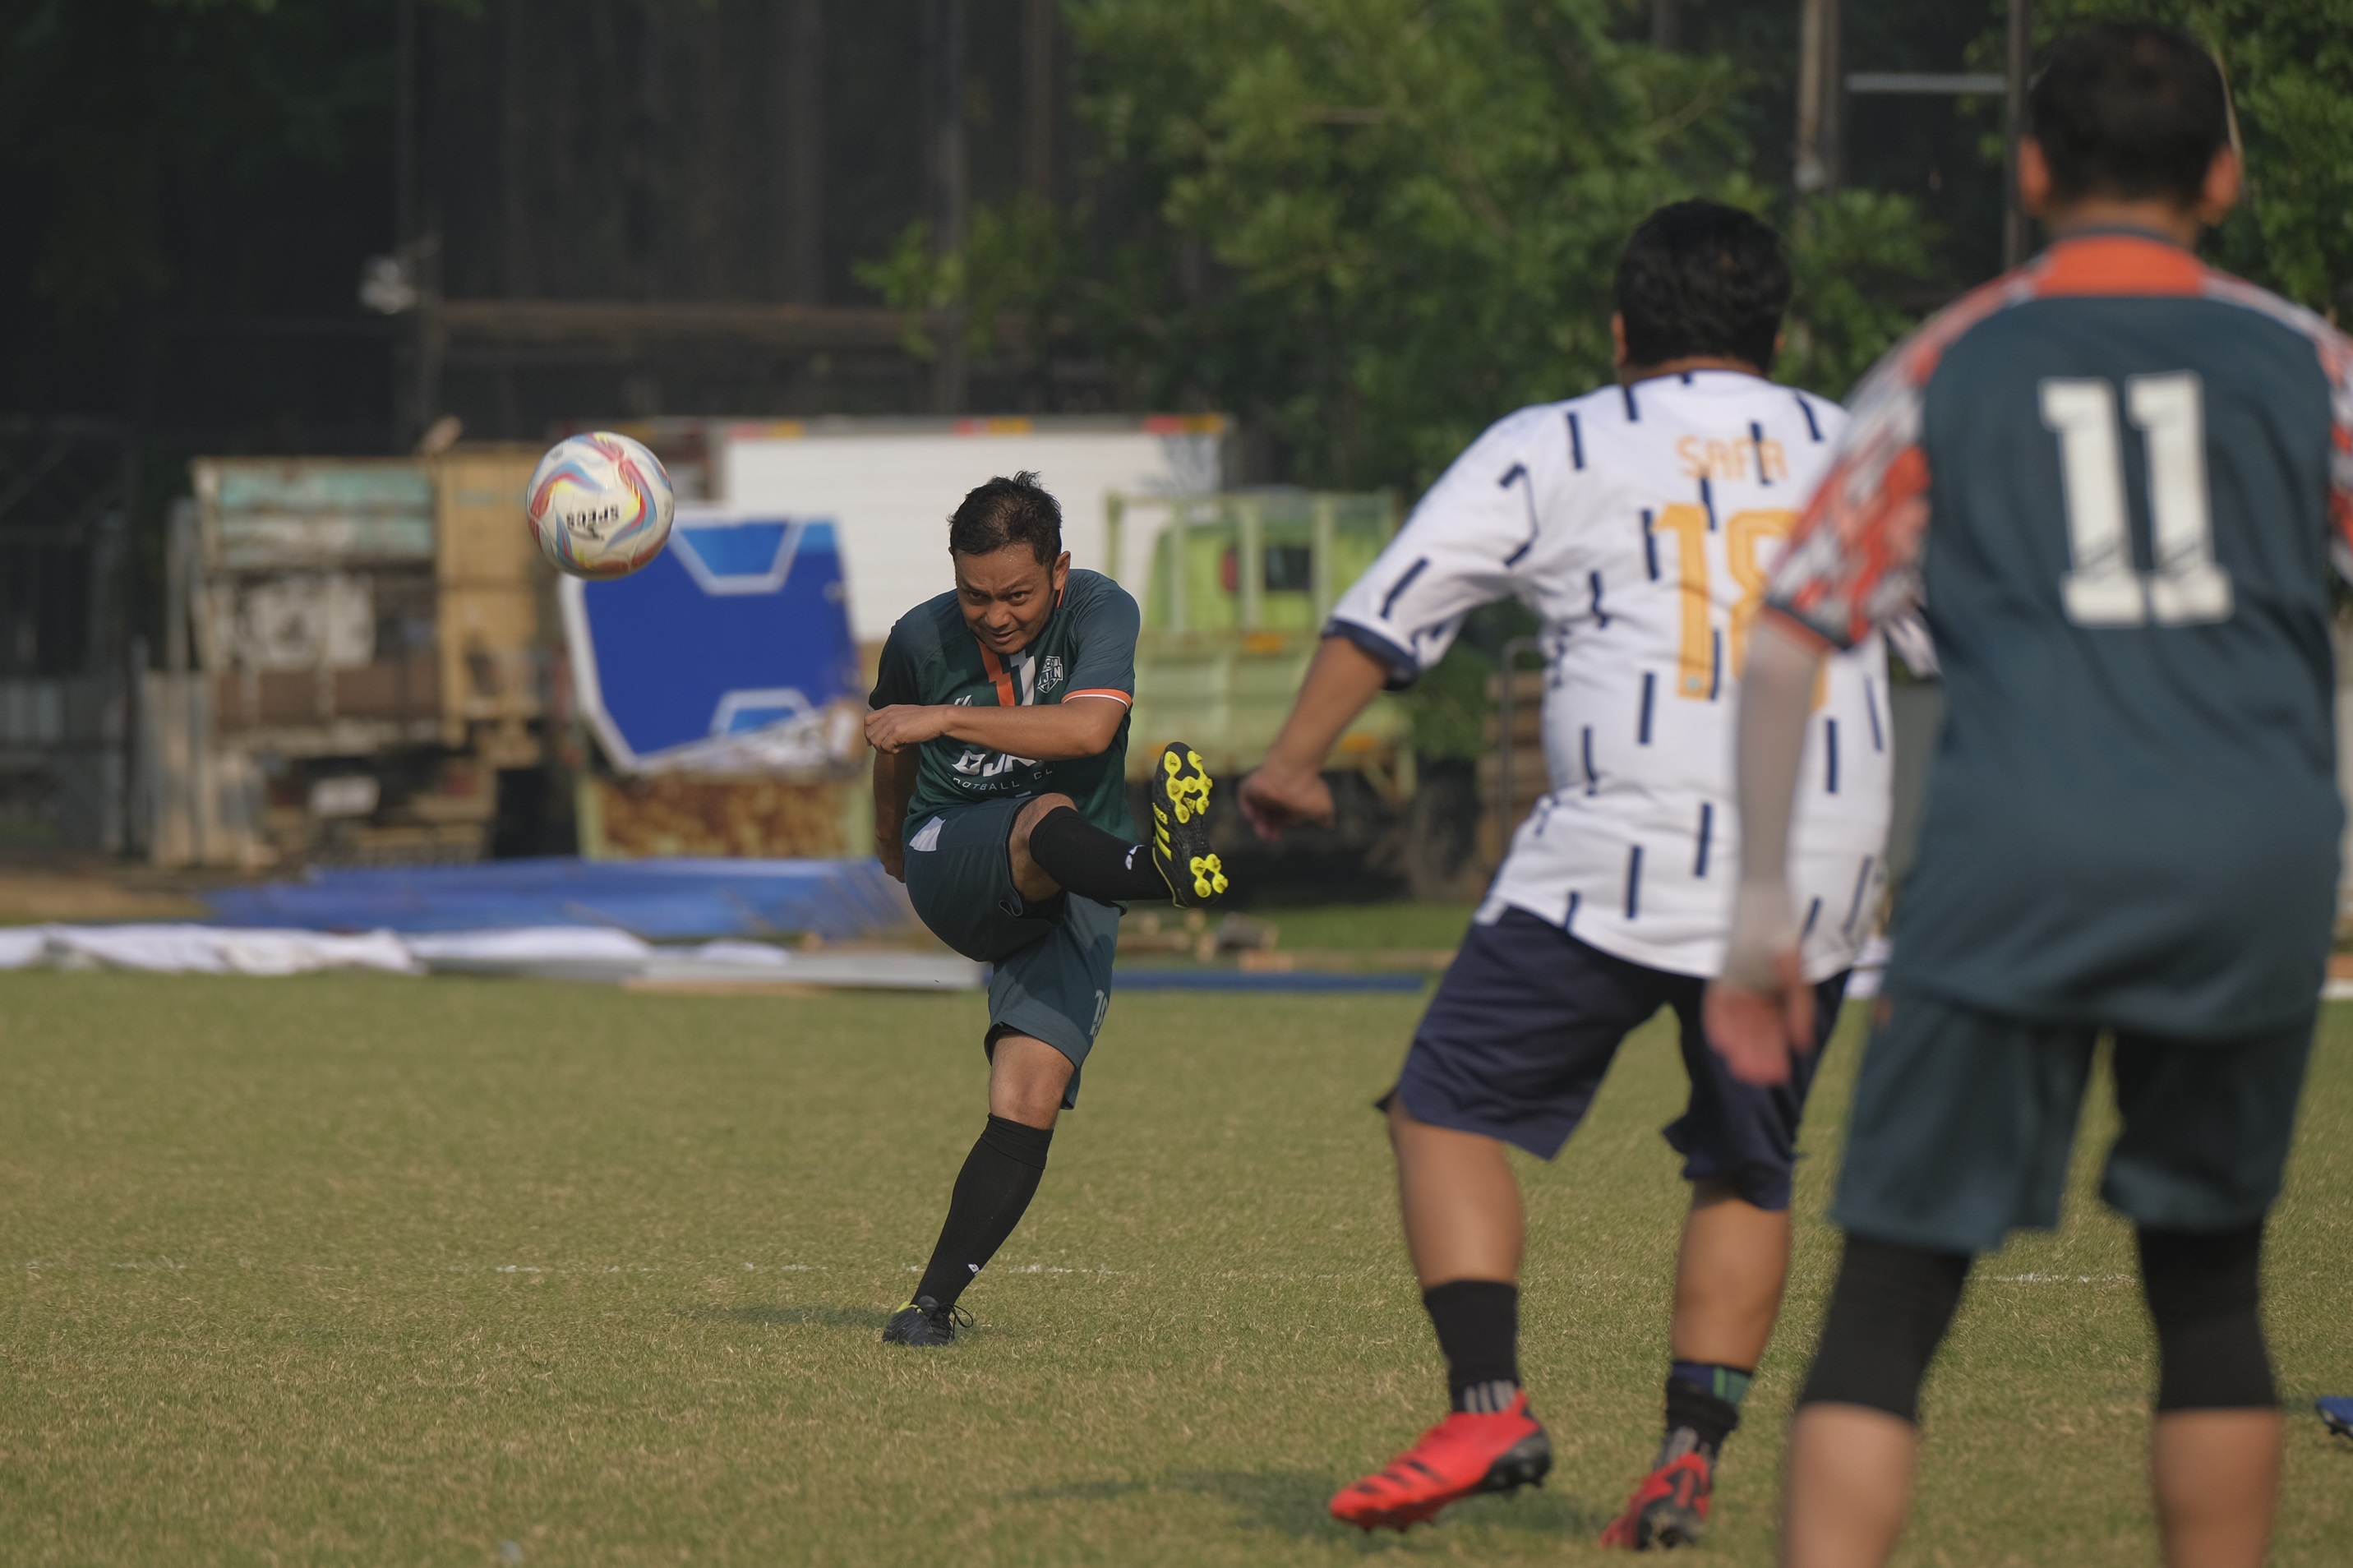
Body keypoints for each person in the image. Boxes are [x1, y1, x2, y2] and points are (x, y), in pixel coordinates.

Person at [1707, 25, 2351, 1568]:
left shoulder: (1946, 363)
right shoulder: (2307, 363)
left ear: (2028, 172)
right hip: (2249, 861)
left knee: (1888, 1292)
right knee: (2206, 1283)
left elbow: (1793, 635)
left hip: (2016, 856)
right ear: (2224, 175)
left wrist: (1754, 905)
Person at [1239, 201, 1896, 1547]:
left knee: (1438, 1103)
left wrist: (1293, 762)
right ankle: (1685, 1459)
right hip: (1813, 866)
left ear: (1617, 332)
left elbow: (1390, 609)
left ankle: (1485, 1402)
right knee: (1745, 1167)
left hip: (1619, 849)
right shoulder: (1862, 445)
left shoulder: (1557, 440)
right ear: (1776, 337)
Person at [867, 471, 1228, 1347]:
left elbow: (1085, 732)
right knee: (1043, 817)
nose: (994, 615)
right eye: (974, 594)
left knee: (1029, 1091)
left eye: (1017, 595)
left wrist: (942, 721)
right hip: (952, 851)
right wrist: (889, 853)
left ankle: (929, 1310)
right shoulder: (918, 637)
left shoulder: (1103, 610)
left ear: (1059, 570)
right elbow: (892, 750)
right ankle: (1158, 870)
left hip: (1079, 874)